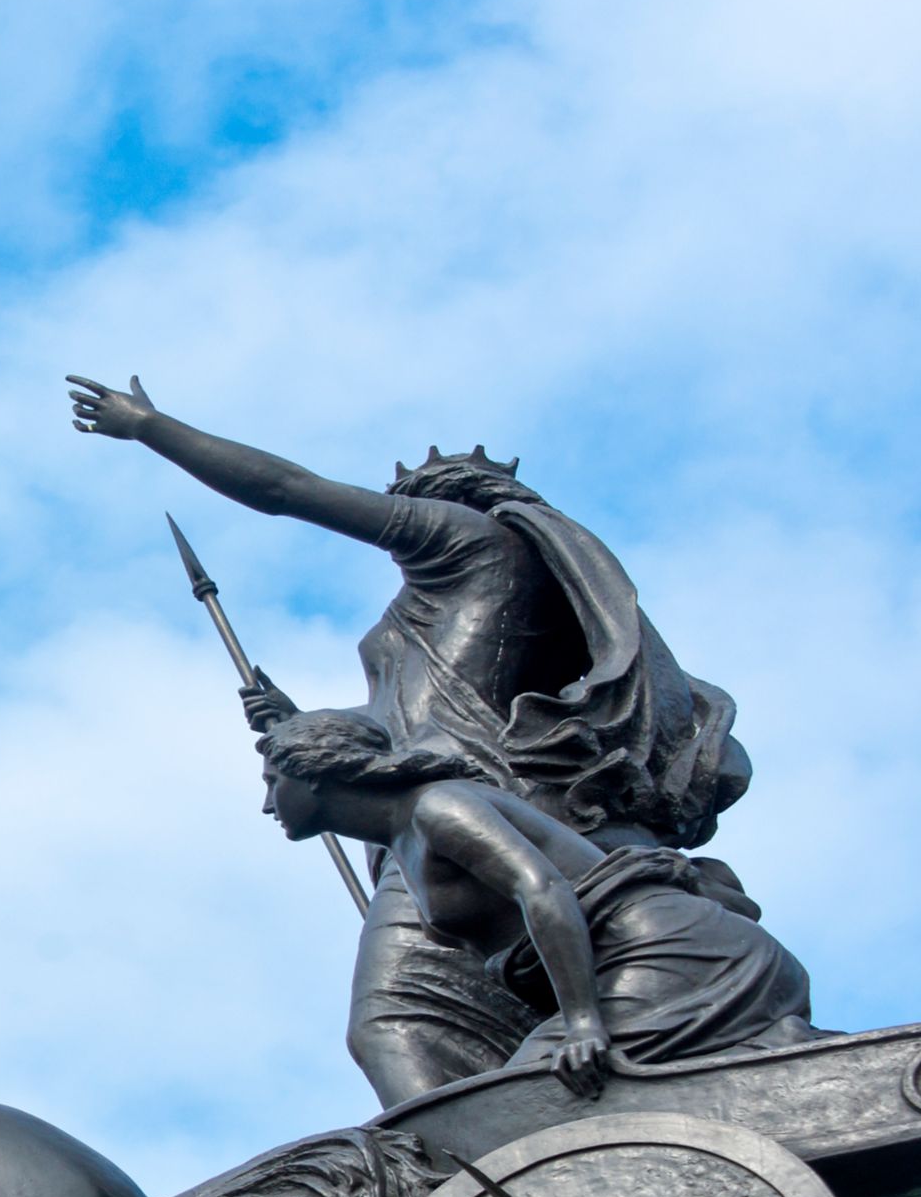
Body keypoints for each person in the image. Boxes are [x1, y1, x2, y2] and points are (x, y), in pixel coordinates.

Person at [67, 375, 754, 1105]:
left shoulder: (474, 545)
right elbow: (413, 715)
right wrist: (304, 727)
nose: (398, 516)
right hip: (421, 820)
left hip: (468, 806)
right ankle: (498, 1146)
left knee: (397, 1021)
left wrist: (150, 427)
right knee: (411, 1024)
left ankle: (480, 1153)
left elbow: (285, 489)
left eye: (412, 503)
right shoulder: (428, 605)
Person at [256, 710, 819, 1095]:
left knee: (524, 1098)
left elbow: (542, 890)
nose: (266, 803)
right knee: (513, 1099)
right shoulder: (400, 843)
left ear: (317, 773)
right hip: (632, 963)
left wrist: (583, 1022)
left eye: (273, 780)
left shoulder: (439, 808)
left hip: (676, 955)